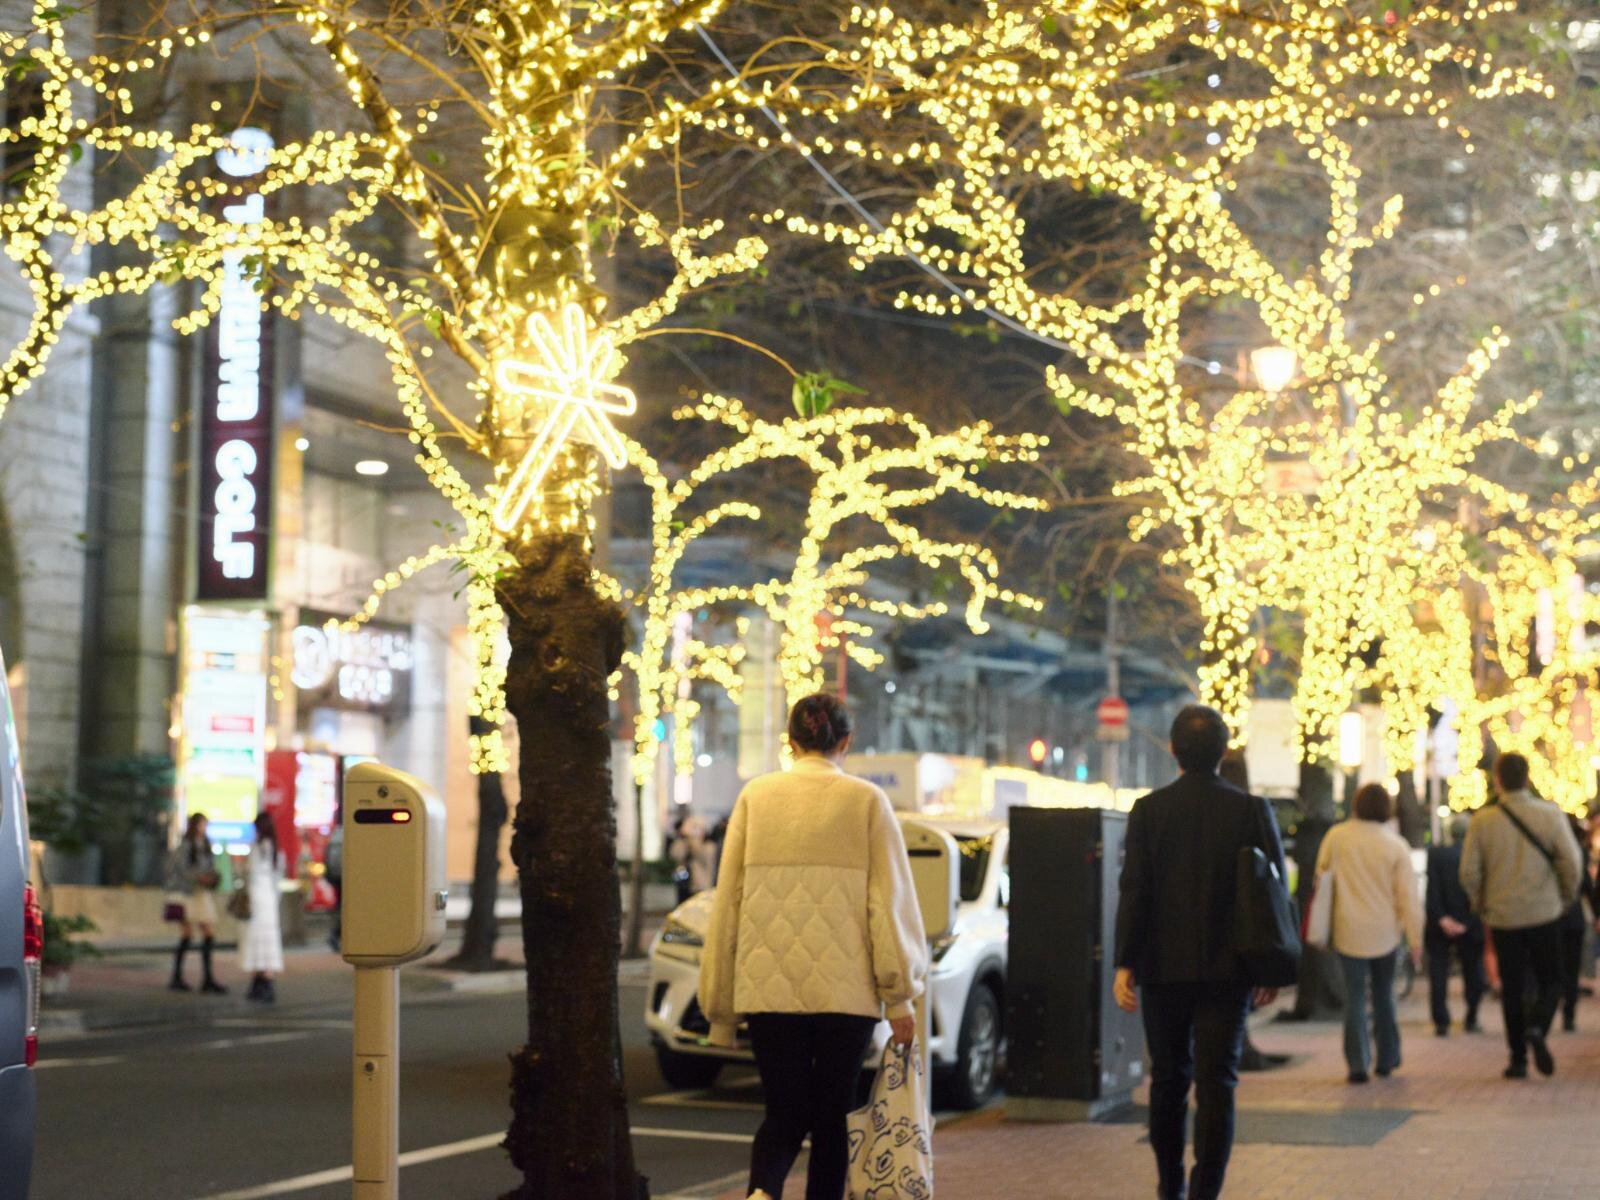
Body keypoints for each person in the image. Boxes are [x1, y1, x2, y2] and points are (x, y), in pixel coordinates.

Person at [700, 692, 928, 1200]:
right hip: (846, 994)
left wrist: (720, 1011)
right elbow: (888, 904)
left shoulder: (756, 798)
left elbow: (728, 903)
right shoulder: (866, 801)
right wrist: (899, 998)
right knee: (832, 1117)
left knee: (782, 1111)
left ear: (790, 741)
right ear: (846, 741)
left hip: (768, 991)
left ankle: (762, 1191)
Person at [1114, 704, 1286, 1200]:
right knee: (1217, 1083)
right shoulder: (1251, 810)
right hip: (1229, 969)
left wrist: (1126, 961)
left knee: (1167, 1080)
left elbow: (1135, 890)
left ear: (1173, 750)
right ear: (1223, 751)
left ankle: (1169, 1183)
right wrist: (1270, 965)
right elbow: (1272, 893)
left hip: (1162, 967)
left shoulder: (1149, 811)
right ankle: (1204, 1190)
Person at [1460, 752, 1583, 1078]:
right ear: (1528, 778)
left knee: (1512, 987)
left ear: (1498, 780)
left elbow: (1469, 871)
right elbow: (1571, 862)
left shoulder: (1483, 821)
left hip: (1503, 915)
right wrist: (1565, 897)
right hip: (1544, 911)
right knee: (1551, 979)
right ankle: (1538, 1027)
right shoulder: (1550, 814)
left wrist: (1481, 903)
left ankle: (1517, 1059)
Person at [1314, 784, 1424, 1082]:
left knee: (1354, 999)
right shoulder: (1395, 845)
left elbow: (1321, 879)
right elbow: (1408, 898)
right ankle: (1387, 1059)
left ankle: (1357, 1064)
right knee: (1384, 996)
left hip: (1347, 929)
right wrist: (1415, 939)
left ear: (1356, 805)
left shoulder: (1336, 837)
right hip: (1386, 933)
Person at [1425, 815, 1485, 1037]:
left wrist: (1442, 918)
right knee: (1473, 971)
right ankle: (1472, 1017)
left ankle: (1441, 1021)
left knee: (1438, 972)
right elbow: (1480, 891)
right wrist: (1467, 922)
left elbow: (1432, 890)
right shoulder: (1478, 856)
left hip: (1440, 924)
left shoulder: (1436, 854)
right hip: (1470, 923)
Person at [163, 813, 227, 994]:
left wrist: (211, 878)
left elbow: (210, 867)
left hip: (201, 893)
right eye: (202, 824)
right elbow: (180, 869)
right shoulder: (186, 845)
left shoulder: (205, 845)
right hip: (186, 893)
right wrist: (199, 877)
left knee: (208, 932)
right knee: (187, 933)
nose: (204, 828)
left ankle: (207, 979)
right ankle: (177, 977)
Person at [242, 812, 285, 1003]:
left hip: (257, 897)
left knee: (255, 939)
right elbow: (278, 877)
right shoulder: (275, 848)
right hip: (270, 900)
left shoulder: (257, 847)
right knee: (269, 940)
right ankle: (267, 981)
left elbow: (250, 873)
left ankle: (259, 982)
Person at [1557, 814, 1593, 1031]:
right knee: (1571, 969)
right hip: (1573, 917)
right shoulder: (1579, 852)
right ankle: (1568, 1016)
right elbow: (1587, 886)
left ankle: (1541, 1018)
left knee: (1551, 969)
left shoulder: (1549, 852)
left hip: (1551, 917)